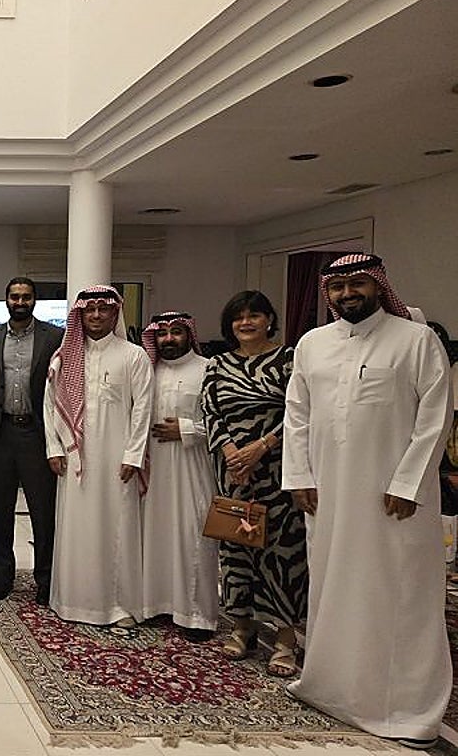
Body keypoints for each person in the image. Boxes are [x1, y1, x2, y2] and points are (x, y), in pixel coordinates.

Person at [283, 254, 453, 749]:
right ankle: (330, 686)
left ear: (378, 286)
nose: (346, 294)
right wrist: (299, 475)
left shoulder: (415, 341)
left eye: (356, 284)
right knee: (333, 584)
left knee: (397, 594)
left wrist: (408, 484)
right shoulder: (313, 344)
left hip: (393, 499)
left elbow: (434, 419)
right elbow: (298, 415)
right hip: (326, 494)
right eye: (336, 287)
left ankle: (403, 708)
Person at [201, 289, 305, 675]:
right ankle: (242, 627)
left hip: (278, 472)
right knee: (237, 552)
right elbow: (210, 412)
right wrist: (231, 453)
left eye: (254, 316)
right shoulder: (218, 365)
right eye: (239, 317)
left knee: (283, 554)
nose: (246, 323)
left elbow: (300, 410)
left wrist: (260, 447)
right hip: (233, 475)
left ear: (269, 320)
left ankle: (284, 639)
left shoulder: (288, 360)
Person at [43, 285, 152, 626]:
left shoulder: (133, 355)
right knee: (75, 529)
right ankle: (71, 601)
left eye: (103, 309)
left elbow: (143, 409)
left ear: (114, 313)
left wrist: (134, 455)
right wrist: (54, 447)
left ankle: (117, 606)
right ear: (79, 315)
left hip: (117, 461)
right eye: (89, 310)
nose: (95, 315)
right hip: (75, 461)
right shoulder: (64, 358)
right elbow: (50, 406)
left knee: (116, 528)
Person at [0, 277, 63, 604]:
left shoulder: (54, 337)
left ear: (34, 300)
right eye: (14, 296)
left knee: (43, 513)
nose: (20, 302)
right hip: (0, 434)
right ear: (6, 300)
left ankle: (45, 580)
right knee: (0, 512)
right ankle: (3, 579)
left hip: (36, 433)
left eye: (26, 297)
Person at [138, 312, 218, 640]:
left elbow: (221, 419)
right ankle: (154, 605)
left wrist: (187, 429)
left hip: (193, 465)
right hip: (154, 466)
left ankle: (196, 615)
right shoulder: (148, 371)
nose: (168, 339)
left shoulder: (209, 368)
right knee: (153, 533)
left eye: (176, 333)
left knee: (192, 535)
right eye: (163, 334)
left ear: (189, 335)